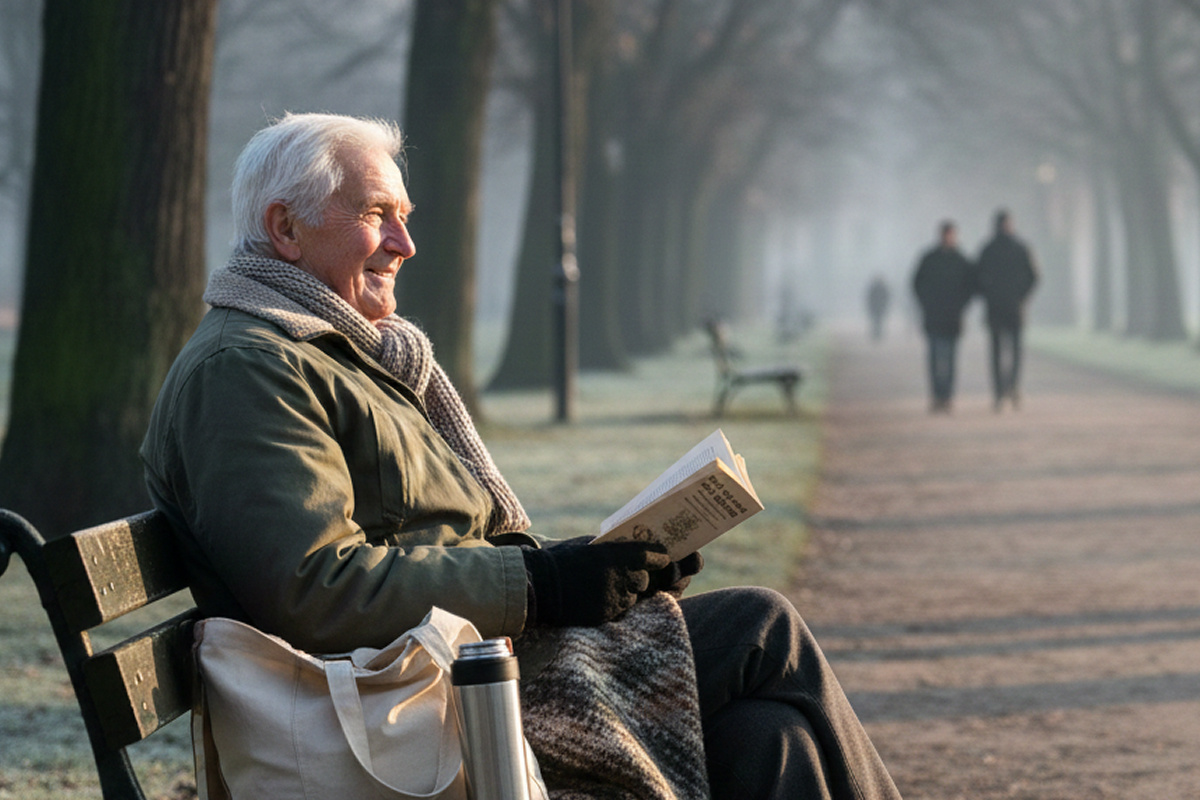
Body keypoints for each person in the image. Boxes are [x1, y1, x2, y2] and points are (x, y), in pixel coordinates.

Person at [141, 113, 902, 800]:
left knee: (769, 740)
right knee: (763, 627)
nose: (406, 245)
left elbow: (425, 541)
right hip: (419, 706)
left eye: (405, 219)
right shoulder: (247, 368)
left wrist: (600, 572)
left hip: (466, 669)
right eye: (379, 217)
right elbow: (312, 589)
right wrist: (541, 584)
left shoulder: (340, 354)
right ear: (286, 227)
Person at [976, 209, 1038, 411]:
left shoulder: (995, 249)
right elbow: (977, 278)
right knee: (1004, 351)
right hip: (1007, 307)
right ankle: (1003, 389)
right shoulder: (1016, 248)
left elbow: (1032, 277)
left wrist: (1020, 295)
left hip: (1006, 306)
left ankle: (1008, 387)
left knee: (1009, 351)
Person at [911, 221, 975, 413]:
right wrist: (926, 304)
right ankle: (936, 395)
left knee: (950, 358)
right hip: (933, 317)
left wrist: (961, 306)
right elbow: (916, 284)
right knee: (933, 358)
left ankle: (947, 396)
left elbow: (971, 287)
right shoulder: (929, 259)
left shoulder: (962, 260)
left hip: (953, 318)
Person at [865, 275, 891, 342]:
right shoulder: (882, 288)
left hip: (877, 307)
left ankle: (877, 334)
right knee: (878, 321)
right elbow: (886, 298)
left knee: (877, 321)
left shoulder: (874, 288)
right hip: (879, 307)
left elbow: (869, 298)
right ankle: (877, 334)